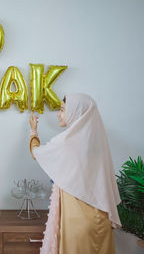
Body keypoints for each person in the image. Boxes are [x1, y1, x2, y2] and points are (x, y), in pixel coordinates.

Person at [29, 93, 121, 254]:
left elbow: (36, 152)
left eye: (63, 110)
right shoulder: (97, 144)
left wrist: (33, 131)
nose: (58, 113)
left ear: (76, 113)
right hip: (101, 219)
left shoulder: (66, 142)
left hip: (76, 221)